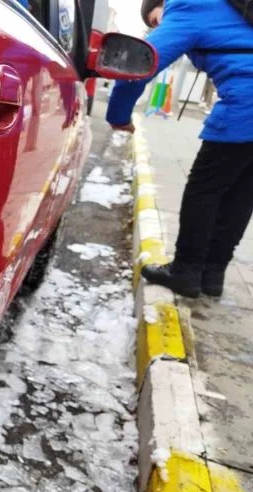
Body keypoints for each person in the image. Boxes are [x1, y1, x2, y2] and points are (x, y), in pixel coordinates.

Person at [106, 0, 253, 298]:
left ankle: (186, 272)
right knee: (241, 192)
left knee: (204, 191)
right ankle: (212, 275)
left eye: (156, 20)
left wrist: (118, 117)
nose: (159, 27)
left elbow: (140, 62)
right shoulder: (232, 10)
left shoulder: (187, 5)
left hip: (245, 105)